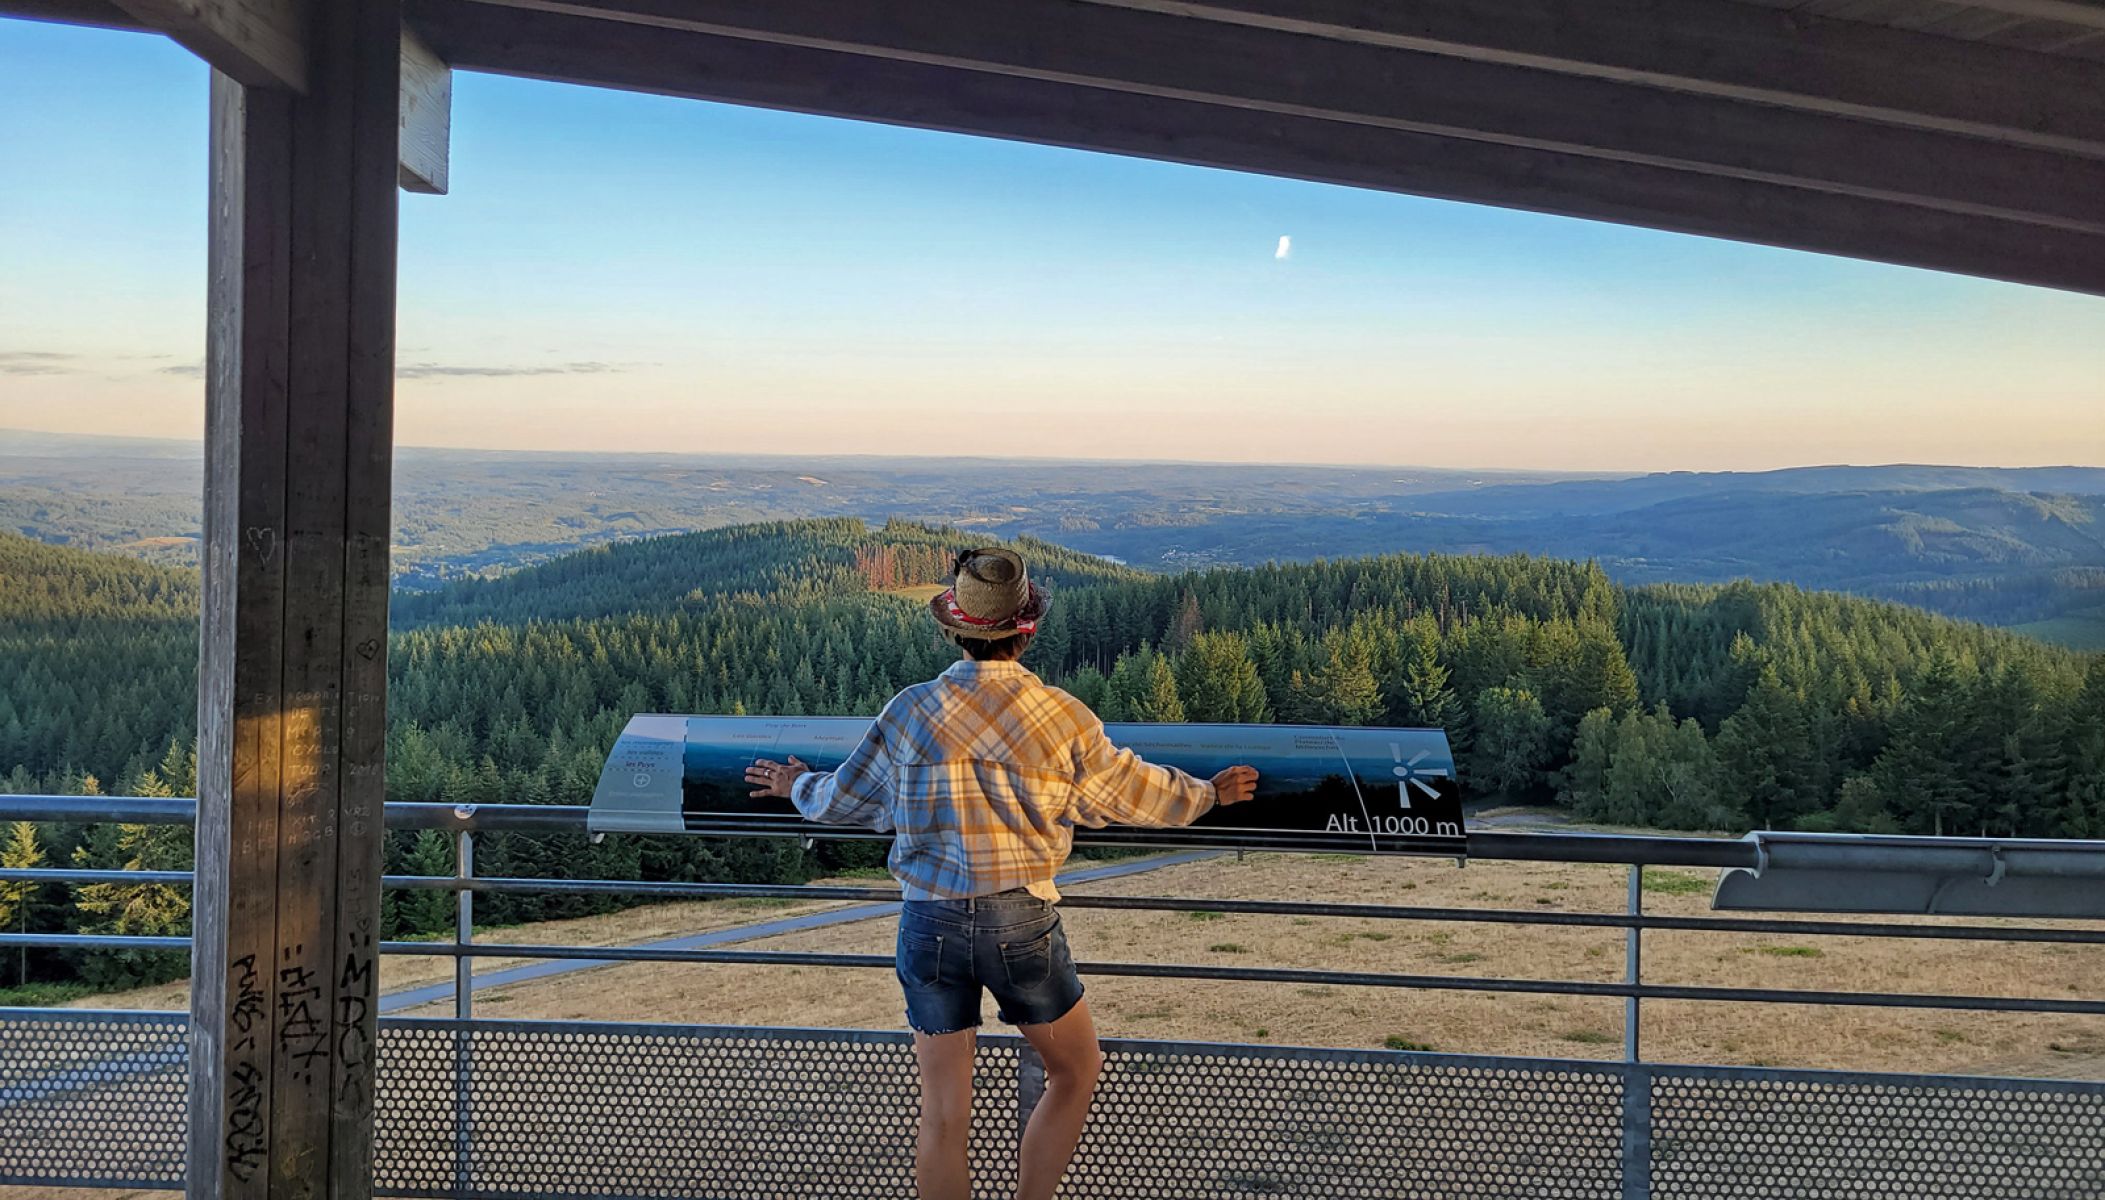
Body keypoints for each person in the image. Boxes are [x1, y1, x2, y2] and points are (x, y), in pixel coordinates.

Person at [744, 545, 1258, 1200]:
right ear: (1027, 628)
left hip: (927, 920)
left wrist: (796, 784)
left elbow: (846, 801)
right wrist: (1211, 793)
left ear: (956, 628)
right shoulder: (1061, 716)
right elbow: (1135, 794)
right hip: (1020, 922)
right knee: (1074, 1072)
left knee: (943, 1115)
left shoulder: (910, 710)